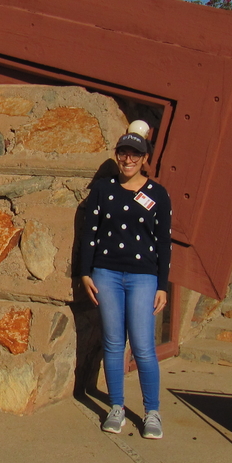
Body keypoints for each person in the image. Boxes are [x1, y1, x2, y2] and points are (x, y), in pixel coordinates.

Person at [78, 122, 172, 439]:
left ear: (145, 158)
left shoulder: (157, 194)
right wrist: (85, 272)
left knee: (144, 346)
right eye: (123, 153)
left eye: (135, 154)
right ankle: (116, 407)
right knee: (114, 344)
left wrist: (163, 285)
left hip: (143, 277)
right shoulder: (103, 190)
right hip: (106, 274)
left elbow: (163, 243)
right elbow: (89, 233)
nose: (128, 159)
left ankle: (152, 412)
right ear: (117, 156)